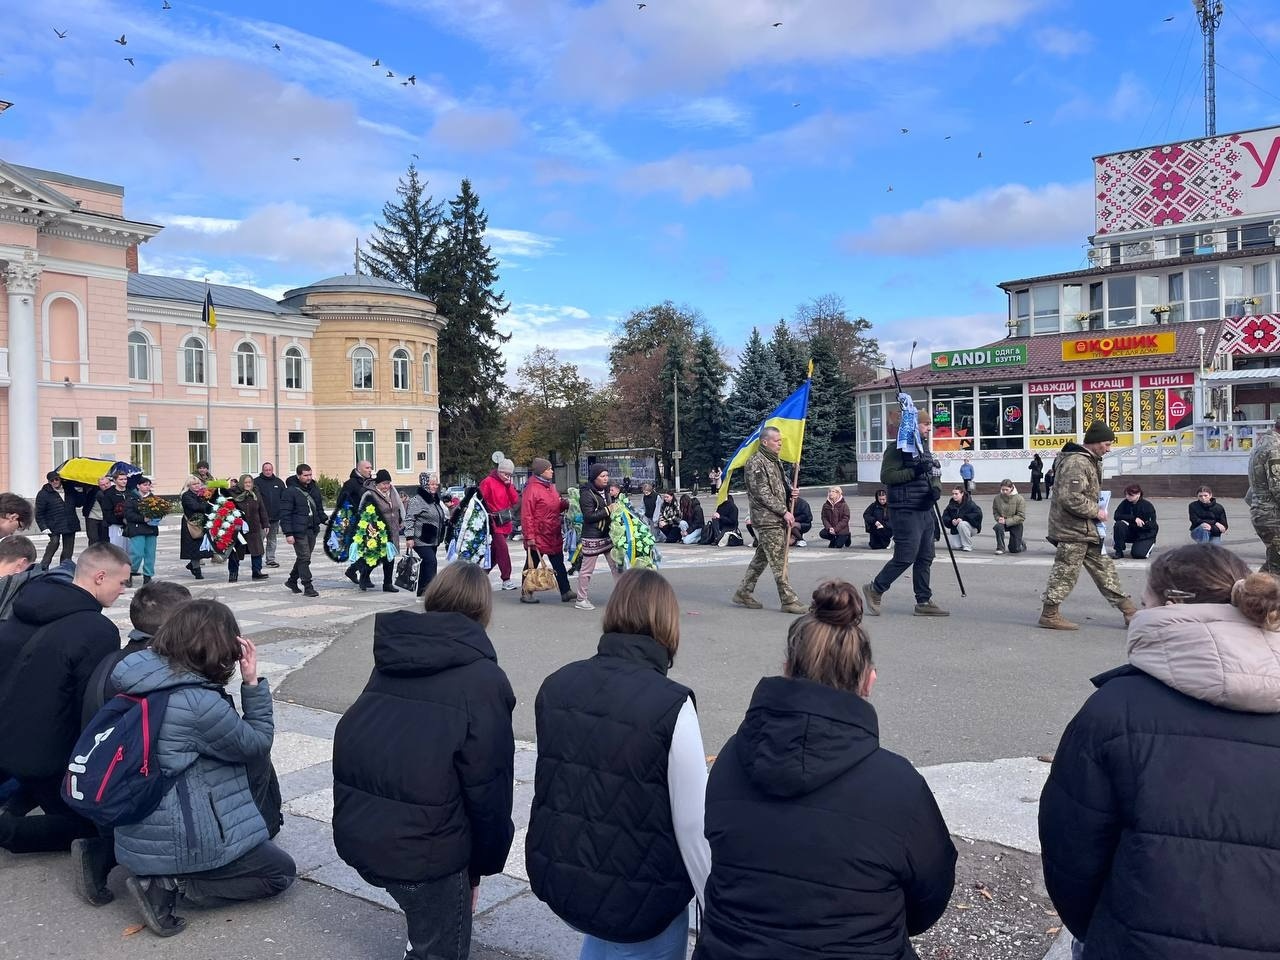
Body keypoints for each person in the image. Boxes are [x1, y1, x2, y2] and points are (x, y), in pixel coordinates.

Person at [1039, 545, 1280, 960]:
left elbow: (1071, 850)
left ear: (1170, 606)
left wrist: (1099, 930)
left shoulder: (1115, 708)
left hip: (1138, 941)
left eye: (1144, 601)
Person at [695, 580, 957, 959]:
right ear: (867, 680)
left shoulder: (731, 760)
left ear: (787, 669)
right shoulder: (899, 786)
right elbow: (930, 897)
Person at [333, 562, 516, 960]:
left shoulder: (395, 656)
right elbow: (489, 789)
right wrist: (478, 870)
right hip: (425, 855)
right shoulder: (483, 679)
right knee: (442, 946)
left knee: (424, 913)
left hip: (360, 832)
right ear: (483, 609)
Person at [528, 569, 710, 960]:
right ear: (667, 623)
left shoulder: (557, 684)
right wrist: (715, 906)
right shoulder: (672, 705)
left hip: (565, 878)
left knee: (603, 936)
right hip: (642, 898)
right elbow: (694, 824)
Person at [111, 600, 295, 936]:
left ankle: (151, 871)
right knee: (279, 873)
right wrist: (251, 683)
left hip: (139, 823)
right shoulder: (196, 702)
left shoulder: (139, 675)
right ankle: (170, 884)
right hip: (181, 837)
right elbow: (256, 744)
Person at [0, 543, 131, 855]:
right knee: (98, 827)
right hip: (44, 755)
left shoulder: (28, 602)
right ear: (100, 577)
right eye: (122, 582)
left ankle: (20, 800)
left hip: (8, 731)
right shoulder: (97, 629)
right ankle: (9, 831)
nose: (123, 590)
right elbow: (89, 707)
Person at [1038, 422, 1137, 630]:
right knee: (1065, 572)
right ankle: (1049, 614)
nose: (1109, 449)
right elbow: (1070, 497)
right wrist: (1096, 511)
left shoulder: (1088, 460)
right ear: (1095, 442)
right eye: (1107, 444)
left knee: (1104, 569)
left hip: (1085, 528)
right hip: (1072, 529)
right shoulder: (1077, 462)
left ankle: (1130, 611)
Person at [863, 407, 949, 618]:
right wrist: (915, 471)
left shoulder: (924, 448)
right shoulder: (897, 449)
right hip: (905, 510)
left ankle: (923, 600)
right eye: (926, 424)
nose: (929, 428)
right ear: (914, 425)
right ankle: (875, 588)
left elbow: (933, 474)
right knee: (906, 556)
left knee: (926, 556)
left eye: (930, 424)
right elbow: (888, 476)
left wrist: (936, 489)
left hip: (925, 509)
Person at [731, 426, 806, 614]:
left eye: (780, 440)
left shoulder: (774, 461)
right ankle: (788, 600)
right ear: (765, 442)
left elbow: (781, 486)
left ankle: (743, 592)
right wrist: (784, 511)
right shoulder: (755, 462)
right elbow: (762, 493)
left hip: (776, 518)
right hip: (767, 519)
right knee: (779, 560)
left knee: (762, 558)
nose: (780, 444)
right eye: (776, 441)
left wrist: (791, 491)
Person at [519, 458, 573, 603]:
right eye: (549, 469)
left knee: (559, 564)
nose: (552, 471)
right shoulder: (532, 489)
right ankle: (526, 592)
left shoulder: (551, 487)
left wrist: (564, 504)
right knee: (531, 565)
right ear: (541, 471)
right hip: (539, 534)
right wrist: (529, 536)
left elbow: (554, 507)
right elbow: (527, 514)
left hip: (553, 532)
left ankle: (566, 591)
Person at [576, 465, 621, 610]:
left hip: (607, 535)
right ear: (594, 478)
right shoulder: (586, 493)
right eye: (602, 476)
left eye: (607, 475)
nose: (606, 479)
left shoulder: (606, 490)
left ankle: (623, 596)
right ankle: (581, 599)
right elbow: (588, 516)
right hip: (592, 536)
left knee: (617, 566)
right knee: (587, 570)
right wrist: (608, 510)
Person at [353, 470, 404, 593]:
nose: (386, 486)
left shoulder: (393, 491)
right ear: (377, 483)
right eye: (384, 484)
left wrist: (403, 519)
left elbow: (400, 506)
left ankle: (388, 584)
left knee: (390, 557)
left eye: (388, 483)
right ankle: (364, 576)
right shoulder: (369, 494)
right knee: (375, 557)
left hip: (392, 529)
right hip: (376, 531)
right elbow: (362, 511)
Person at [279, 463, 324, 597]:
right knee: (304, 557)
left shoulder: (313, 488)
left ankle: (292, 581)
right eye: (305, 475)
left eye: (310, 475)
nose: (308, 478)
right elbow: (285, 513)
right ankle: (308, 586)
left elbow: (318, 507)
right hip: (298, 529)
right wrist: (288, 533)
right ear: (298, 475)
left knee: (304, 557)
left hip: (312, 528)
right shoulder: (290, 491)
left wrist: (325, 520)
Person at [479, 458, 520, 591]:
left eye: (509, 474)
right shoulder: (488, 482)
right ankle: (506, 579)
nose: (507, 476)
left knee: (496, 552)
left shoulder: (507, 483)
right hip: (493, 522)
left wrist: (508, 486)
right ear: (499, 471)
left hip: (504, 521)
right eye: (505, 474)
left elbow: (515, 500)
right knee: (502, 550)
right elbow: (481, 500)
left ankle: (481, 575)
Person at [405, 473, 448, 597]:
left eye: (436, 484)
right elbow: (409, 518)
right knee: (431, 562)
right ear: (425, 484)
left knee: (426, 564)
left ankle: (422, 592)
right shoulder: (417, 500)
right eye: (431, 484)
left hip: (432, 539)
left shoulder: (434, 499)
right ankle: (432, 592)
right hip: (420, 539)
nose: (435, 487)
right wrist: (409, 537)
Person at [1246, 418, 1280, 574]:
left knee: (1272, 564)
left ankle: (1251, 587)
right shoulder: (1275, 448)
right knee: (1276, 570)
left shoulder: (1263, 443)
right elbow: (1277, 486)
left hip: (1263, 511)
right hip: (1273, 515)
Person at [337, 461, 376, 586]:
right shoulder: (351, 484)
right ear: (359, 469)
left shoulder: (371, 483)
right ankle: (363, 576)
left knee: (373, 550)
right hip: (355, 522)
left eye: (371, 467)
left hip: (370, 521)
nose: (370, 470)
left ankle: (353, 571)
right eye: (367, 468)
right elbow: (341, 501)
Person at [228, 474, 271, 583]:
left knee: (257, 550)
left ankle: (257, 571)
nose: (248, 484)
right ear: (241, 483)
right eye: (246, 482)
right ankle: (233, 573)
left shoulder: (255, 493)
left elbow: (262, 509)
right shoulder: (233, 493)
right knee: (236, 551)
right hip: (238, 528)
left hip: (254, 526)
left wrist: (265, 524)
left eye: (250, 482)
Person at [35, 471, 80, 569]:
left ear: (60, 479)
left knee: (68, 548)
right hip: (53, 524)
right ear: (49, 482)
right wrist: (43, 527)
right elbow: (39, 513)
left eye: (56, 479)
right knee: (54, 542)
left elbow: (79, 503)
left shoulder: (69, 490)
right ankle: (43, 566)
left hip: (70, 523)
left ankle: (65, 567)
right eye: (52, 480)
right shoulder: (43, 494)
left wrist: (80, 491)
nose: (55, 481)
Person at [123, 475, 161, 586]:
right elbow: (128, 514)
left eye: (149, 485)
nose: (147, 487)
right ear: (138, 486)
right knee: (137, 553)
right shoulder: (131, 498)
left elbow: (159, 511)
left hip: (151, 529)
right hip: (137, 529)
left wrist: (157, 516)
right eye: (145, 485)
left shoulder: (153, 498)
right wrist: (142, 519)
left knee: (150, 554)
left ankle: (148, 576)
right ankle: (130, 572)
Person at [1111, 484, 1158, 559]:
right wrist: (1134, 518)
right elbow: (1116, 516)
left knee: (1138, 555)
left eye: (1130, 495)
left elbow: (1152, 524)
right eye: (1126, 494)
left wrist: (1143, 524)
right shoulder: (1125, 503)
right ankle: (1119, 551)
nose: (1127, 497)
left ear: (1138, 494)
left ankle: (1147, 546)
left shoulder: (1147, 506)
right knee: (1119, 525)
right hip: (1132, 530)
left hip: (1145, 534)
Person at [254, 462, 287, 568]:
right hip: (261, 519)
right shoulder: (256, 482)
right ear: (262, 470)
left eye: (270, 470)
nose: (268, 472)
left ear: (272, 470)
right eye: (266, 470)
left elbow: (284, 498)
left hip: (275, 517)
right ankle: (257, 560)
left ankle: (270, 560)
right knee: (260, 539)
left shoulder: (279, 482)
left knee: (272, 540)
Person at [179, 475, 209, 579]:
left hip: (201, 523)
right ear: (189, 486)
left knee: (200, 547)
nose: (196, 486)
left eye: (198, 484)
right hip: (191, 524)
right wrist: (207, 505)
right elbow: (195, 507)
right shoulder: (186, 495)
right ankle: (197, 571)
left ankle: (193, 565)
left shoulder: (202, 494)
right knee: (193, 548)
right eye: (194, 484)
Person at [991, 479, 1026, 555]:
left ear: (1012, 488)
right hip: (1003, 521)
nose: (1004, 492)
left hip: (1016, 523)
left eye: (1006, 490)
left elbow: (1021, 516)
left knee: (1014, 550)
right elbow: (995, 511)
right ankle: (1000, 548)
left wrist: (1007, 521)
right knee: (998, 527)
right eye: (1003, 489)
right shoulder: (997, 498)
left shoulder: (1019, 499)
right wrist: (998, 518)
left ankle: (1021, 544)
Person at [942, 486, 982, 552]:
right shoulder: (951, 505)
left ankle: (967, 546)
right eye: (953, 494)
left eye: (956, 494)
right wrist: (951, 521)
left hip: (972, 527)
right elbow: (945, 516)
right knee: (955, 546)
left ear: (962, 494)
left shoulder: (970, 504)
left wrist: (963, 519)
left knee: (962, 524)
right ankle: (961, 541)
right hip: (956, 529)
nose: (954, 496)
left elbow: (978, 514)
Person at [101, 471, 130, 550]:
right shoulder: (109, 494)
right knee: (117, 549)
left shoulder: (130, 492)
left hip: (130, 525)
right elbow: (107, 512)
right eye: (121, 479)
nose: (124, 481)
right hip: (116, 526)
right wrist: (121, 520)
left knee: (130, 550)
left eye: (125, 479)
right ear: (114, 480)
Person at [81, 475, 112, 546]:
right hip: (92, 516)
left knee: (105, 539)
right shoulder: (94, 492)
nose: (106, 486)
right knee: (93, 539)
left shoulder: (113, 491)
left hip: (105, 518)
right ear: (99, 485)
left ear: (110, 483)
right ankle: (93, 552)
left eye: (107, 483)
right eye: (103, 485)